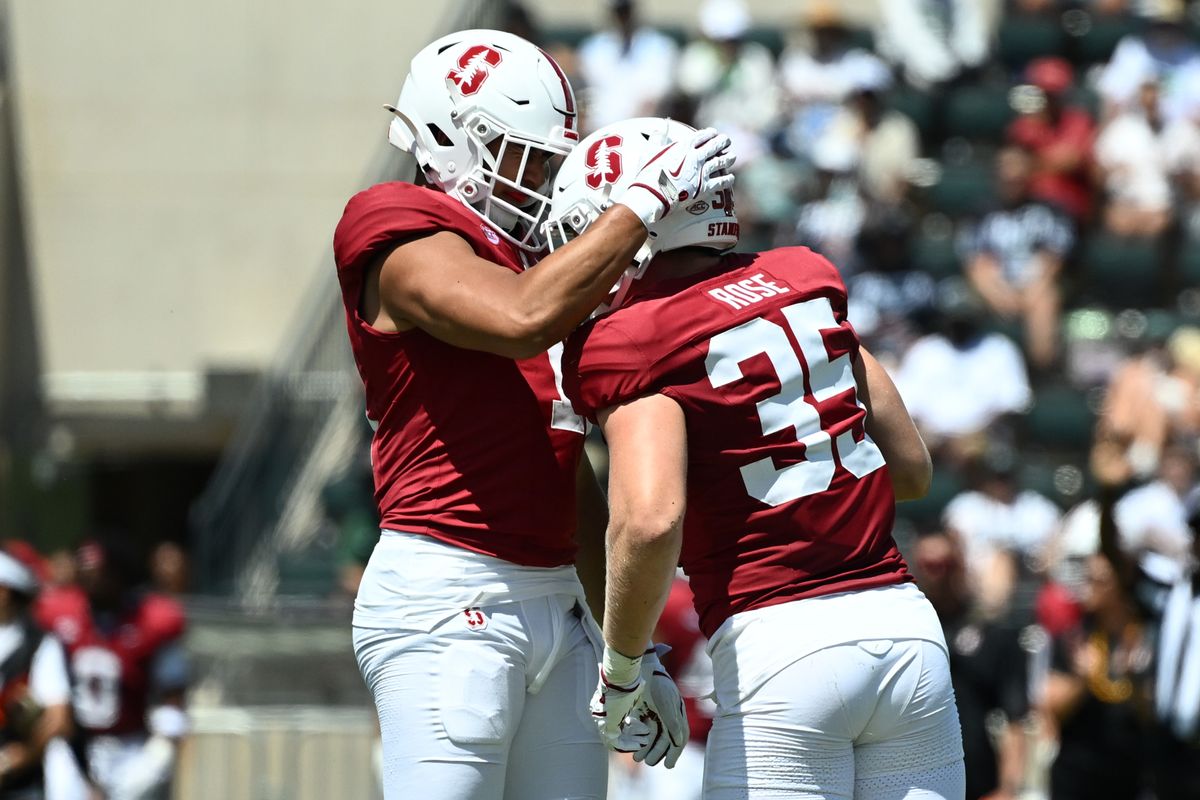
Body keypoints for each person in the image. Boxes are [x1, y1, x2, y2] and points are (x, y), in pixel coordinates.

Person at [332, 29, 734, 800]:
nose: (542, 179)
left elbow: (564, 476)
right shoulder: (395, 222)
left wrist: (633, 647)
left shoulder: (528, 260)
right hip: (452, 590)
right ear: (452, 139)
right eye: (525, 157)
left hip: (557, 598)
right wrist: (641, 205)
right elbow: (520, 317)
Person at [550, 117, 964, 799]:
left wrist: (623, 667)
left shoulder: (634, 337)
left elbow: (650, 521)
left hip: (782, 642)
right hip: (905, 628)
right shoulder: (802, 279)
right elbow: (911, 469)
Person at [36, 538, 188, 800]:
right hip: (75, 746)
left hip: (130, 746)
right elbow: (54, 694)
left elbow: (172, 699)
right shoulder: (62, 614)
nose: (90, 579)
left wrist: (159, 752)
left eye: (98, 571)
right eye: (84, 570)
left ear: (119, 574)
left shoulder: (152, 619)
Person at [0, 551, 71, 799]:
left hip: (17, 786)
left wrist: (19, 757)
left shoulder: (39, 645)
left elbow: (57, 717)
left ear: (4, 592)